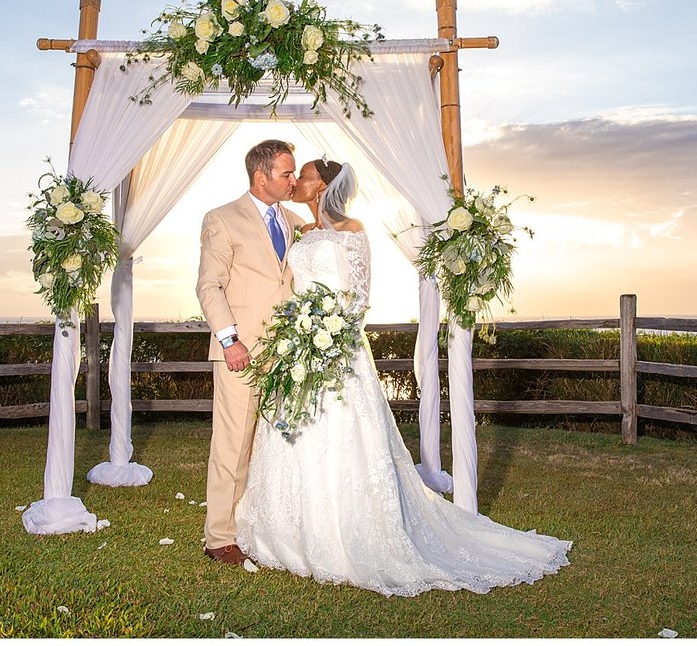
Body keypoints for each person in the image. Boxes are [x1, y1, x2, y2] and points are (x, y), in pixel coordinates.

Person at [234, 158, 572, 596]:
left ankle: (351, 532)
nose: (297, 180)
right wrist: (300, 333)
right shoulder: (301, 231)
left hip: (338, 348)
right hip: (301, 346)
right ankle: (290, 530)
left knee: (343, 439)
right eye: (294, 175)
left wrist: (327, 335)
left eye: (306, 175)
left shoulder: (353, 231)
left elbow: (358, 297)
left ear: (323, 186)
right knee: (296, 435)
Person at [195, 139, 307, 566]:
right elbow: (210, 285)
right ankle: (219, 536)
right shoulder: (222, 219)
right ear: (261, 177)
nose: (293, 180)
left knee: (275, 444)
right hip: (241, 351)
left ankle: (261, 524)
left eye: (294, 173)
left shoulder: (296, 222)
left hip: (289, 355)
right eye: (286, 173)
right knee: (233, 443)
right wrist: (229, 340)